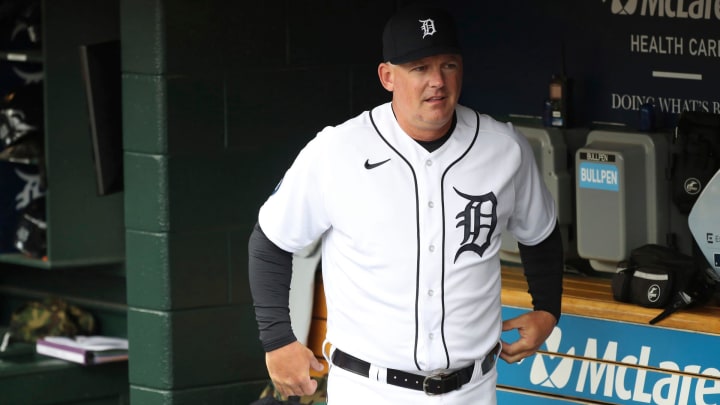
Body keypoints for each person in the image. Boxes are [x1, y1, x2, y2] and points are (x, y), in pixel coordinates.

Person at [248, 4, 564, 404]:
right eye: (419, 68)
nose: (437, 81)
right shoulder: (337, 150)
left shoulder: (504, 148)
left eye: (448, 65)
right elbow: (270, 243)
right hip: (369, 389)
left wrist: (547, 309)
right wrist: (278, 340)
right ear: (387, 76)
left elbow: (542, 232)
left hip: (472, 391)